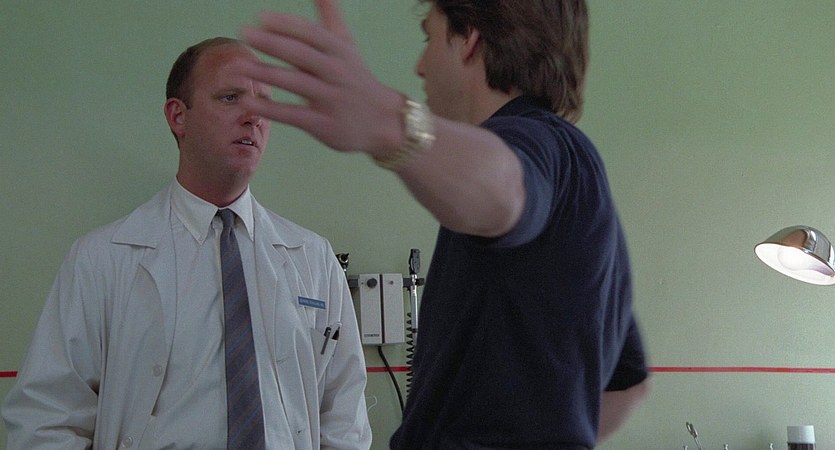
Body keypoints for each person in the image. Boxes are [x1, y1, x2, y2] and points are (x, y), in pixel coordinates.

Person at [238, 0, 649, 448]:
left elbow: (507, 190)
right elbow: (627, 384)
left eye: (429, 37)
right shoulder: (582, 183)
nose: (419, 65)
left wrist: (389, 122)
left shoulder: (538, 142)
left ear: (469, 39)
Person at [2, 37, 372, 449]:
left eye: (264, 102)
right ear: (178, 116)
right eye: (230, 97)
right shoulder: (101, 259)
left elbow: (345, 420)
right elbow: (47, 419)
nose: (253, 117)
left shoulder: (314, 258)